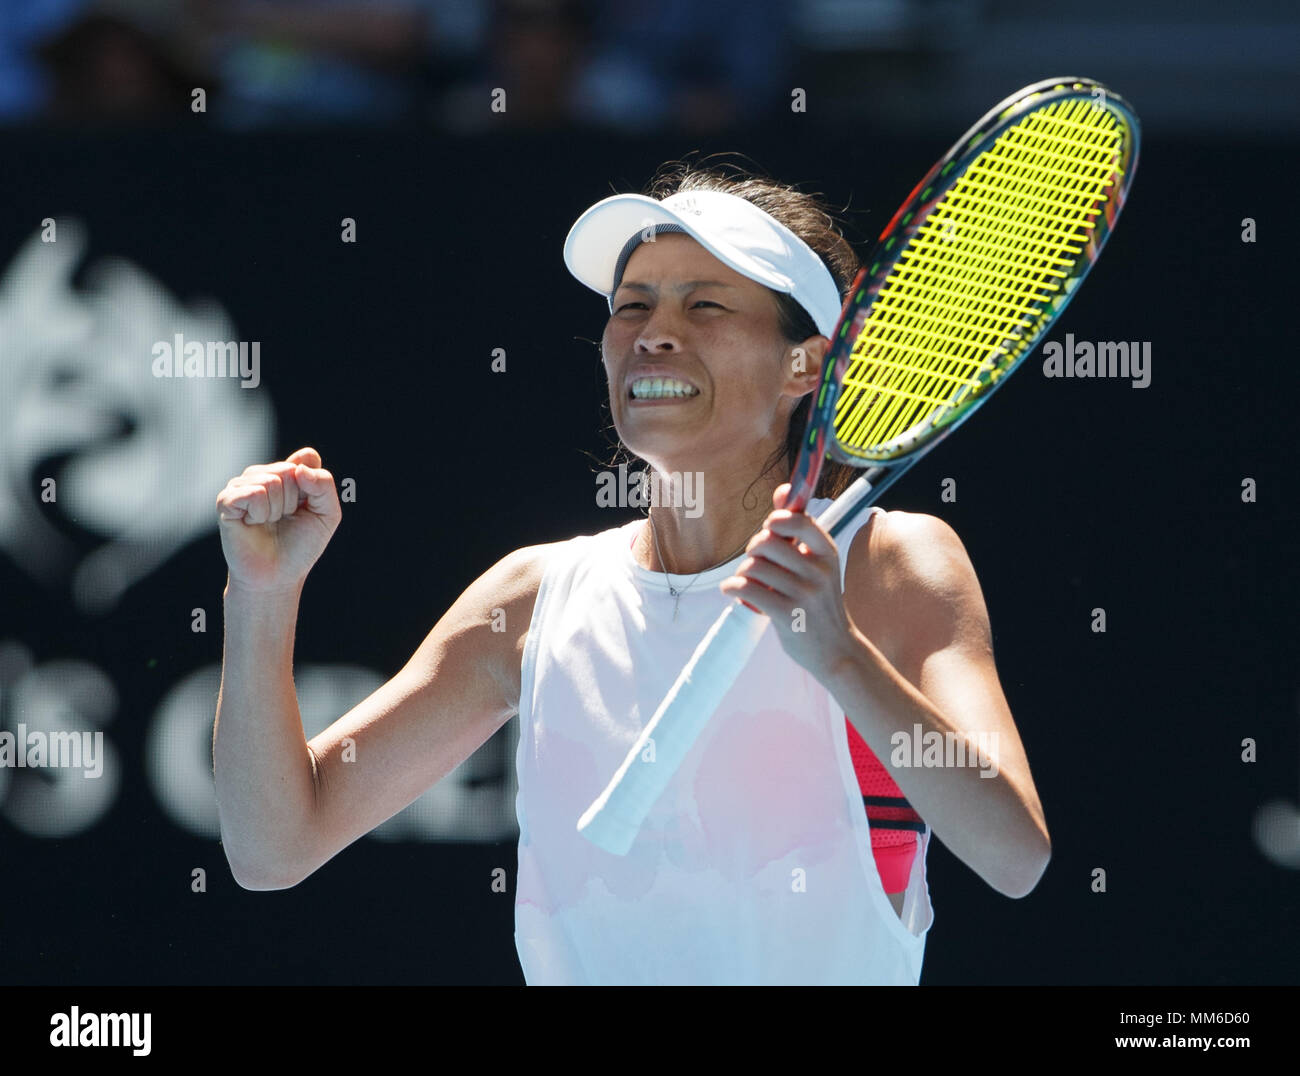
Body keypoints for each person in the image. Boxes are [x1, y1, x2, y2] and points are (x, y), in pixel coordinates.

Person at [213, 161, 1051, 985]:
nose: (655, 330)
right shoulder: (532, 597)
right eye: (633, 306)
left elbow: (1014, 854)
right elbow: (274, 849)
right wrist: (261, 595)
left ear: (806, 366)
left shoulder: (891, 564)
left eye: (707, 304)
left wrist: (838, 653)